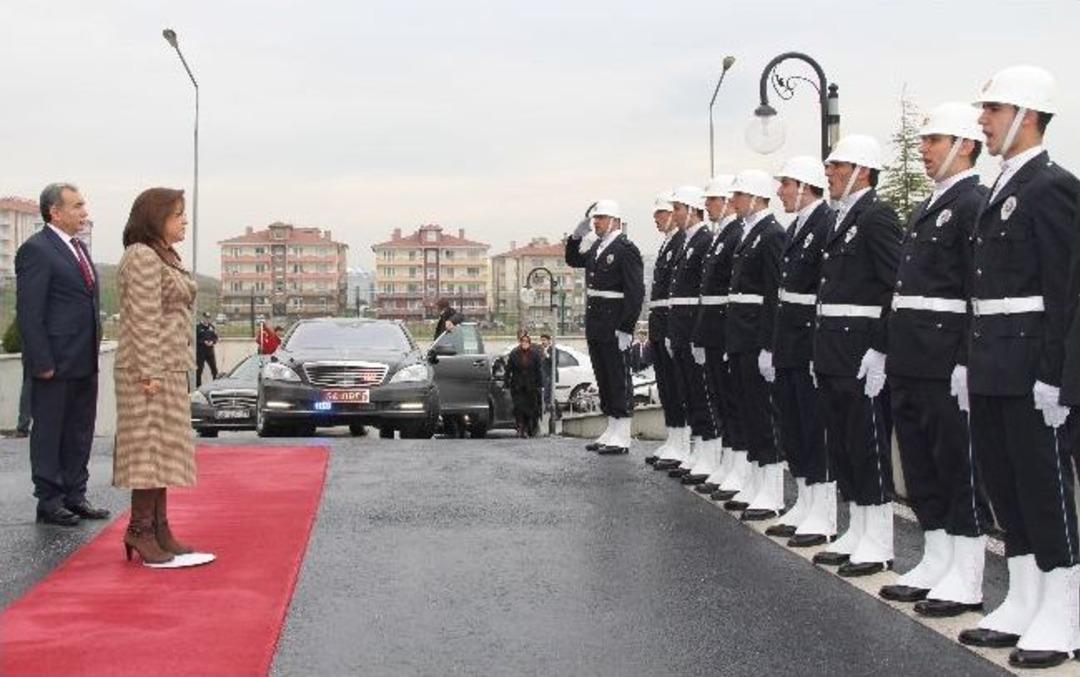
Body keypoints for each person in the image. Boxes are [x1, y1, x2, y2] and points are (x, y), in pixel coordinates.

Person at [957, 66, 1080, 669]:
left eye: (994, 109)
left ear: (1027, 115)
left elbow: (1067, 290)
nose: (982, 120)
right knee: (1006, 484)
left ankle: (1064, 608)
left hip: (1033, 360)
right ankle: (1027, 594)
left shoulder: (1051, 187)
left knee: (1043, 486)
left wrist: (1058, 375)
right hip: (992, 358)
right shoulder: (1004, 186)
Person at [876, 103, 993, 618]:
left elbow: (977, 289)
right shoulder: (932, 204)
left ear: (966, 145)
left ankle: (967, 575)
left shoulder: (973, 203)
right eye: (923, 141)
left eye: (936, 141)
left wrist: (968, 359)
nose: (924, 150)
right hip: (912, 357)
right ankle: (938, 556)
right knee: (922, 466)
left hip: (945, 358)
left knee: (956, 466)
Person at [811, 135, 902, 578]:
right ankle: (858, 528)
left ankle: (879, 539)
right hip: (832, 347)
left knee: (868, 445)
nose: (828, 174)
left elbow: (894, 286)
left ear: (862, 171)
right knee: (845, 445)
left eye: (837, 167)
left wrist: (881, 347)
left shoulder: (877, 217)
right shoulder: (841, 217)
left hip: (860, 348)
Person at [113, 187, 200, 566]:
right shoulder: (142, 257)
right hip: (148, 370)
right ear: (155, 217)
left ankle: (160, 527)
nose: (184, 220)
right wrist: (149, 371)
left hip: (169, 366)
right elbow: (143, 318)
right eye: (177, 214)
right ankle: (140, 529)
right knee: (147, 450)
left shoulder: (165, 255)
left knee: (163, 451)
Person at [15, 182, 109, 526]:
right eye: (78, 206)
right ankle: (50, 500)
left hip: (83, 359)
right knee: (50, 431)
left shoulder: (78, 249)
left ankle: (75, 494)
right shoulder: (36, 250)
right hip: (53, 363)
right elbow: (29, 312)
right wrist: (41, 362)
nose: (85, 212)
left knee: (79, 430)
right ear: (55, 212)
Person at [765, 156, 834, 545]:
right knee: (793, 425)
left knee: (813, 427)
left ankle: (822, 511)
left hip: (809, 339)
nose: (781, 192)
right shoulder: (797, 227)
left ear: (804, 186)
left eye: (786, 184)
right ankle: (806, 503)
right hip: (788, 338)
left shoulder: (823, 224)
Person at [719, 170, 787, 520]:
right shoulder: (750, 234)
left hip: (755, 334)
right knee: (748, 411)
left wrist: (768, 344)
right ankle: (757, 482)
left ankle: (772, 490)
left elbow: (775, 292)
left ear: (758, 197)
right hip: (740, 334)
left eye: (740, 195)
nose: (734, 202)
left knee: (763, 414)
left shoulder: (772, 234)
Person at [565, 199, 644, 454]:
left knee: (619, 376)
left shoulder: (625, 248)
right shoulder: (598, 246)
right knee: (604, 376)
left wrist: (626, 327)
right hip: (596, 321)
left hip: (614, 322)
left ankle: (623, 432)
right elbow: (573, 259)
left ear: (614, 220)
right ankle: (611, 427)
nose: (595, 222)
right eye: (594, 219)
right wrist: (576, 237)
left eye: (600, 218)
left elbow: (635, 292)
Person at [654, 186, 715, 475]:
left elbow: (704, 291)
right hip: (679, 325)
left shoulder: (703, 240)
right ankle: (698, 450)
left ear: (692, 209)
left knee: (700, 394)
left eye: (678, 208)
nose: (676, 214)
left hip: (692, 326)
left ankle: (707, 453)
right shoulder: (688, 241)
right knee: (688, 392)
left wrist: (698, 332)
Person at [642, 194, 686, 465]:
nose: (656, 219)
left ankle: (682, 441)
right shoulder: (668, 244)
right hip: (659, 321)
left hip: (671, 321)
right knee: (666, 387)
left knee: (677, 386)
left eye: (661, 213)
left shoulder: (681, 241)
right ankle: (674, 437)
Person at [505, 330, 544, 437]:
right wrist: (506, 382)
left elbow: (538, 370)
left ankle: (528, 428)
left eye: (527, 341)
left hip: (531, 386)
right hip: (517, 386)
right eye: (523, 341)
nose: (524, 343)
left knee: (529, 408)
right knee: (519, 407)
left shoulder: (535, 355)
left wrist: (540, 385)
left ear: (529, 343)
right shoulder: (514, 354)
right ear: (520, 342)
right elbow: (508, 369)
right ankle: (520, 427)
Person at [195, 311, 219, 386]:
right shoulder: (198, 327)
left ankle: (216, 384)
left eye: (208, 318)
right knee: (199, 370)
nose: (207, 319)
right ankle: (198, 386)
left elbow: (215, 337)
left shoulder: (212, 327)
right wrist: (203, 342)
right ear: (203, 318)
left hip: (210, 352)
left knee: (214, 369)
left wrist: (213, 342)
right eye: (206, 318)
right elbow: (196, 339)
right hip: (201, 352)